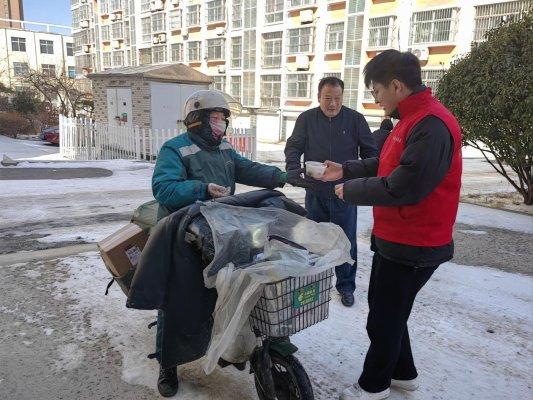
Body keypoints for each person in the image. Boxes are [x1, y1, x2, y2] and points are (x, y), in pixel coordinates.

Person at [321, 50, 462, 400]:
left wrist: (349, 190)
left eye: (377, 90)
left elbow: (405, 186)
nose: (376, 98)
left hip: (415, 243)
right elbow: (385, 163)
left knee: (383, 319)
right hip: (397, 238)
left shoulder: (432, 125)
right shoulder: (409, 120)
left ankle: (373, 387)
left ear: (396, 85)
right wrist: (346, 169)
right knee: (391, 312)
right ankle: (404, 374)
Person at [151, 89, 290, 397]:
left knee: (239, 281)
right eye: (215, 118)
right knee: (177, 299)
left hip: (222, 228)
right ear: (196, 121)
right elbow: (163, 188)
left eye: (223, 119)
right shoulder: (175, 149)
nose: (221, 125)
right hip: (182, 233)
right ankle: (167, 363)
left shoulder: (224, 148)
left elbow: (246, 168)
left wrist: (280, 175)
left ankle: (239, 340)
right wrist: (201, 188)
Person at [284, 77, 377, 307]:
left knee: (346, 242)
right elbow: (294, 146)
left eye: (337, 98)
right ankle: (314, 284)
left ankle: (346, 286)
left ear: (343, 98)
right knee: (314, 241)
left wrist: (360, 180)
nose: (333, 104)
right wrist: (293, 167)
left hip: (345, 192)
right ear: (318, 97)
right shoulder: (306, 119)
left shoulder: (356, 119)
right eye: (328, 98)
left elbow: (371, 154)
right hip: (315, 191)